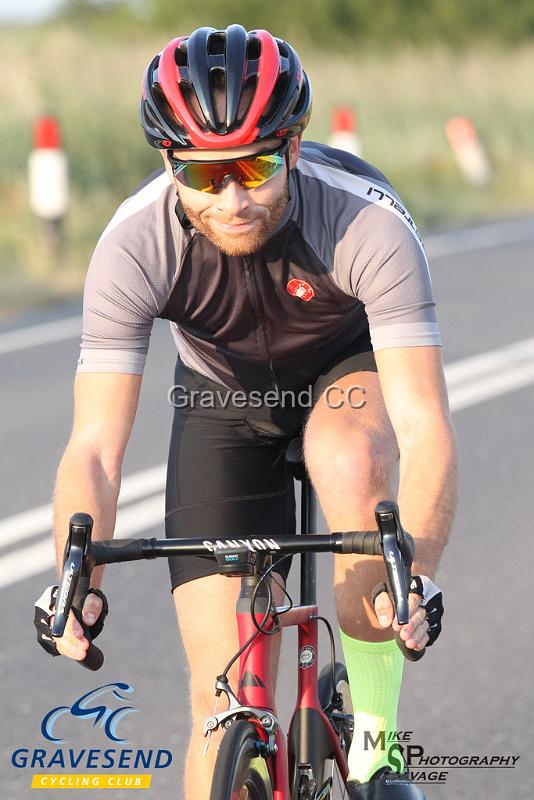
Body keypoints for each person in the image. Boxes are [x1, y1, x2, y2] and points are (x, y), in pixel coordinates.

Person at [34, 24, 457, 800]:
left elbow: (426, 425)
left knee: (348, 459)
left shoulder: (366, 224)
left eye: (255, 167)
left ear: (293, 149)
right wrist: (75, 576)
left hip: (342, 375)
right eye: (205, 175)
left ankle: (376, 747)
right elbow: (94, 447)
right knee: (216, 702)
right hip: (221, 399)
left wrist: (417, 574)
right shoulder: (133, 245)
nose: (231, 198)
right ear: (170, 165)